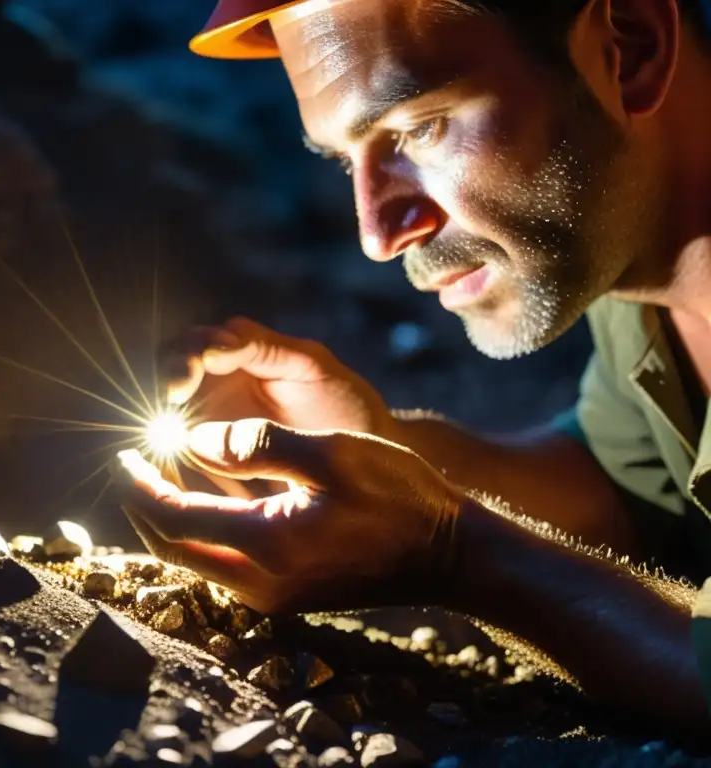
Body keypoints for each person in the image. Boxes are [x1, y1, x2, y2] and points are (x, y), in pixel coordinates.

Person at [110, 0, 711, 736]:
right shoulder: (642, 278)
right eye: (343, 159)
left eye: (421, 127)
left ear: (631, 46)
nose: (378, 233)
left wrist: (453, 553)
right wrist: (379, 453)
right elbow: (628, 496)